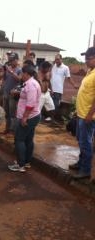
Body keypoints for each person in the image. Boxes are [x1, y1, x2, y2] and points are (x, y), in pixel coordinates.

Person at [8, 65, 41, 172]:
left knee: (19, 139)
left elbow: (30, 104)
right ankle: (26, 162)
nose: (21, 75)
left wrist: (24, 118)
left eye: (22, 73)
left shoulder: (31, 85)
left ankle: (20, 164)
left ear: (26, 74)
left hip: (29, 116)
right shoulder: (33, 83)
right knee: (28, 139)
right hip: (33, 116)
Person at [69, 47, 95, 179]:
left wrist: (90, 114)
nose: (86, 61)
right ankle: (80, 163)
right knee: (81, 140)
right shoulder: (90, 71)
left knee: (86, 143)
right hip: (81, 113)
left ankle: (85, 170)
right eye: (85, 58)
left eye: (88, 58)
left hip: (88, 116)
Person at [0, 52, 22, 134]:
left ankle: (13, 130)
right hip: (6, 93)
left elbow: (20, 79)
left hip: (13, 95)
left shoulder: (19, 70)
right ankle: (7, 128)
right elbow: (2, 78)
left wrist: (11, 72)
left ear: (16, 60)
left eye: (12, 60)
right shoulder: (8, 68)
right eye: (10, 60)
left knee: (13, 114)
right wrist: (3, 71)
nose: (11, 62)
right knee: (6, 113)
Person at [50, 54, 78, 122]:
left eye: (58, 59)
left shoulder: (65, 68)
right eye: (55, 59)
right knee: (49, 103)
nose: (56, 61)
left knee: (56, 104)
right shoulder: (54, 66)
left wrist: (74, 85)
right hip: (50, 88)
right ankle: (50, 117)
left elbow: (69, 78)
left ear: (61, 59)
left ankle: (53, 118)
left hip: (58, 90)